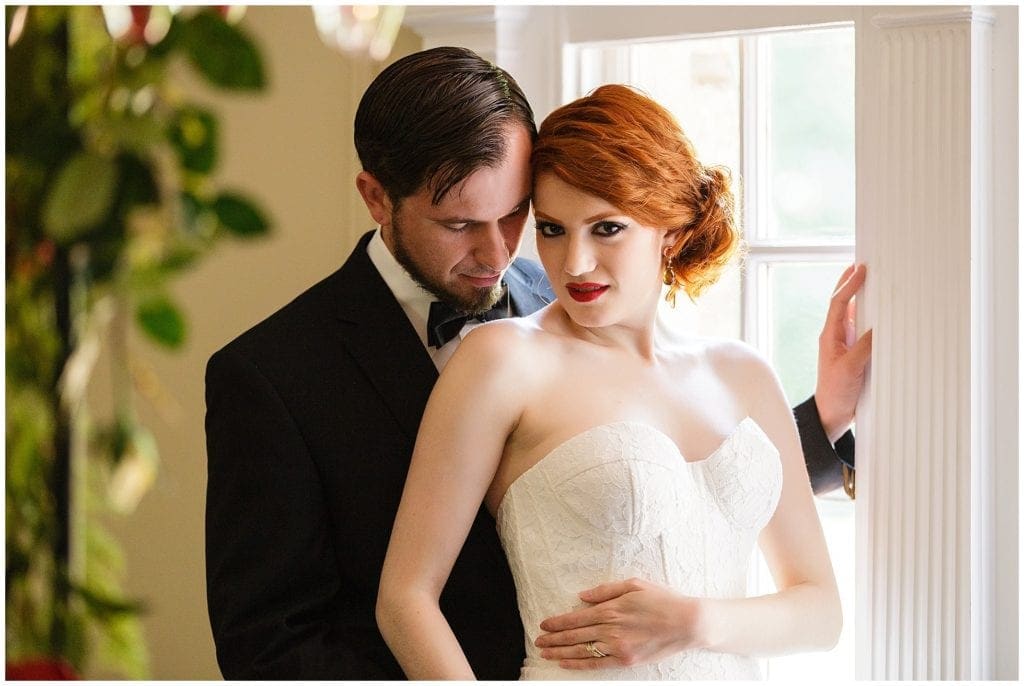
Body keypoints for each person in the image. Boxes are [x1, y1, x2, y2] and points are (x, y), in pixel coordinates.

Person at [204, 47, 868, 680]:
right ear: (378, 199)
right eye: (460, 224)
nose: (500, 254)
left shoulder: (576, 295)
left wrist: (820, 422)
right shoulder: (271, 377)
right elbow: (273, 649)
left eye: (520, 215)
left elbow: (651, 499)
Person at [376, 84, 843, 679]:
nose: (573, 264)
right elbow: (406, 599)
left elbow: (821, 612)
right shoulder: (503, 360)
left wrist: (695, 622)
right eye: (551, 229)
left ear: (670, 231)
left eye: (606, 229)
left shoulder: (744, 373)